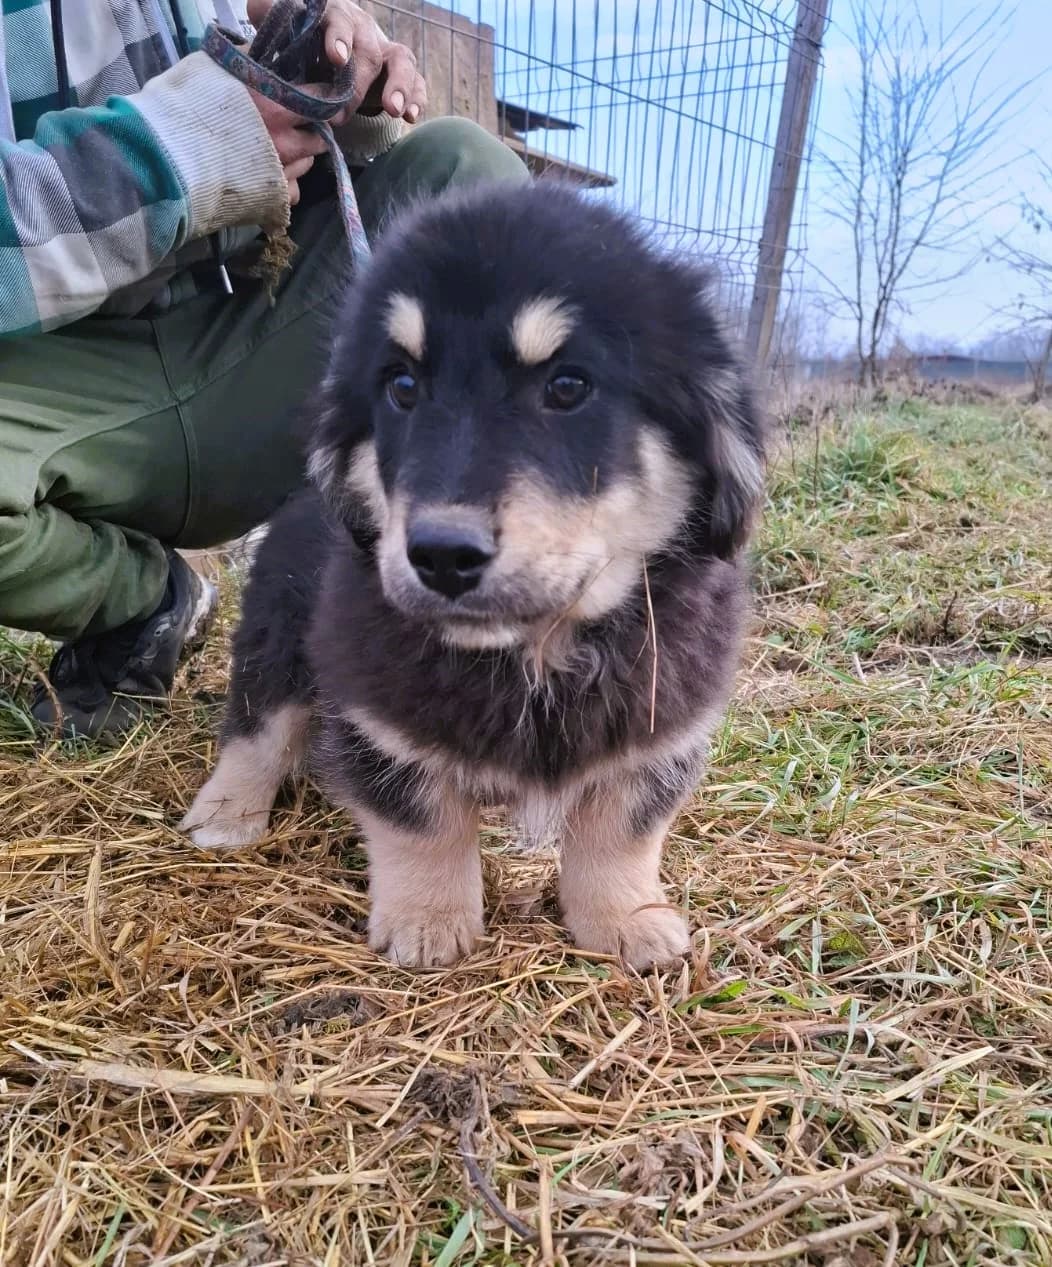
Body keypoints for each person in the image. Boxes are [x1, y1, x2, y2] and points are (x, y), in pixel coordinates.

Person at [0, 0, 529, 738]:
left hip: (239, 345)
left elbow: (297, 165)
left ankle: (441, 645)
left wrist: (340, 98)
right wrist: (187, 152)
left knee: (466, 173)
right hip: (58, 383)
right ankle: (141, 602)